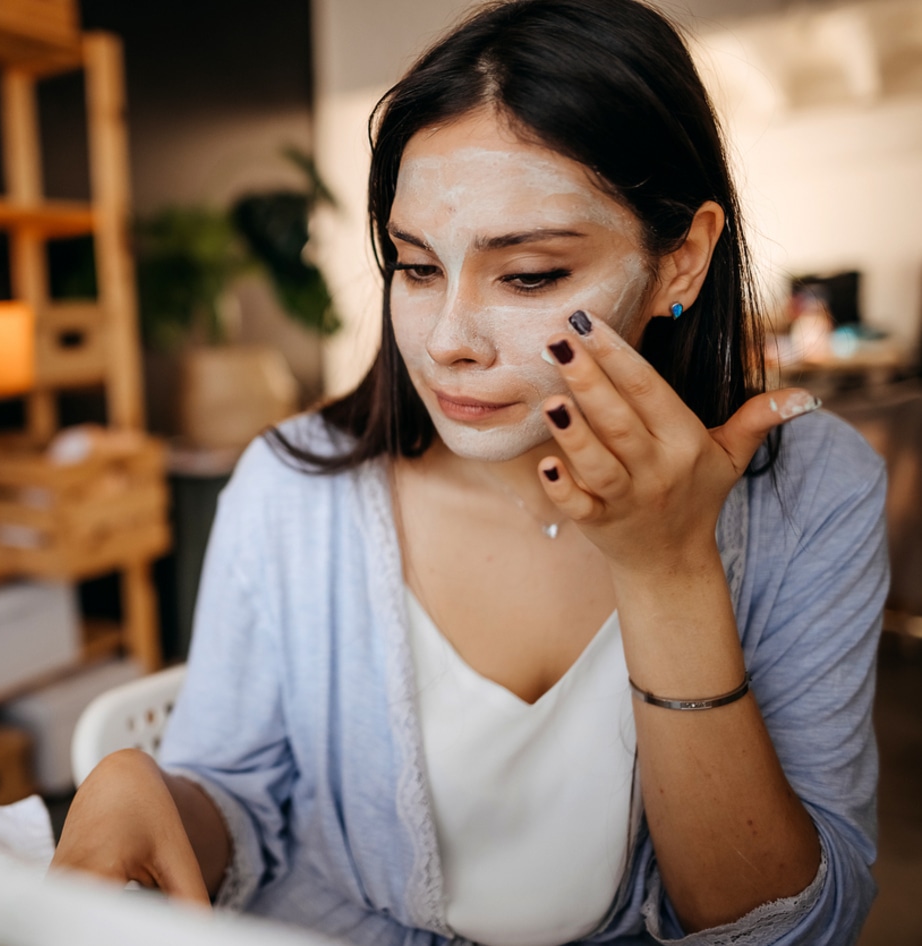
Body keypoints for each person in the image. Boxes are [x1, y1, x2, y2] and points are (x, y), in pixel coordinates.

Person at [51, 1, 888, 944]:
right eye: (414, 268)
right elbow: (240, 807)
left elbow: (791, 929)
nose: (447, 342)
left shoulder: (814, 490)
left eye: (528, 275)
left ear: (680, 261)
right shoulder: (293, 491)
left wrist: (667, 569)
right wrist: (144, 786)